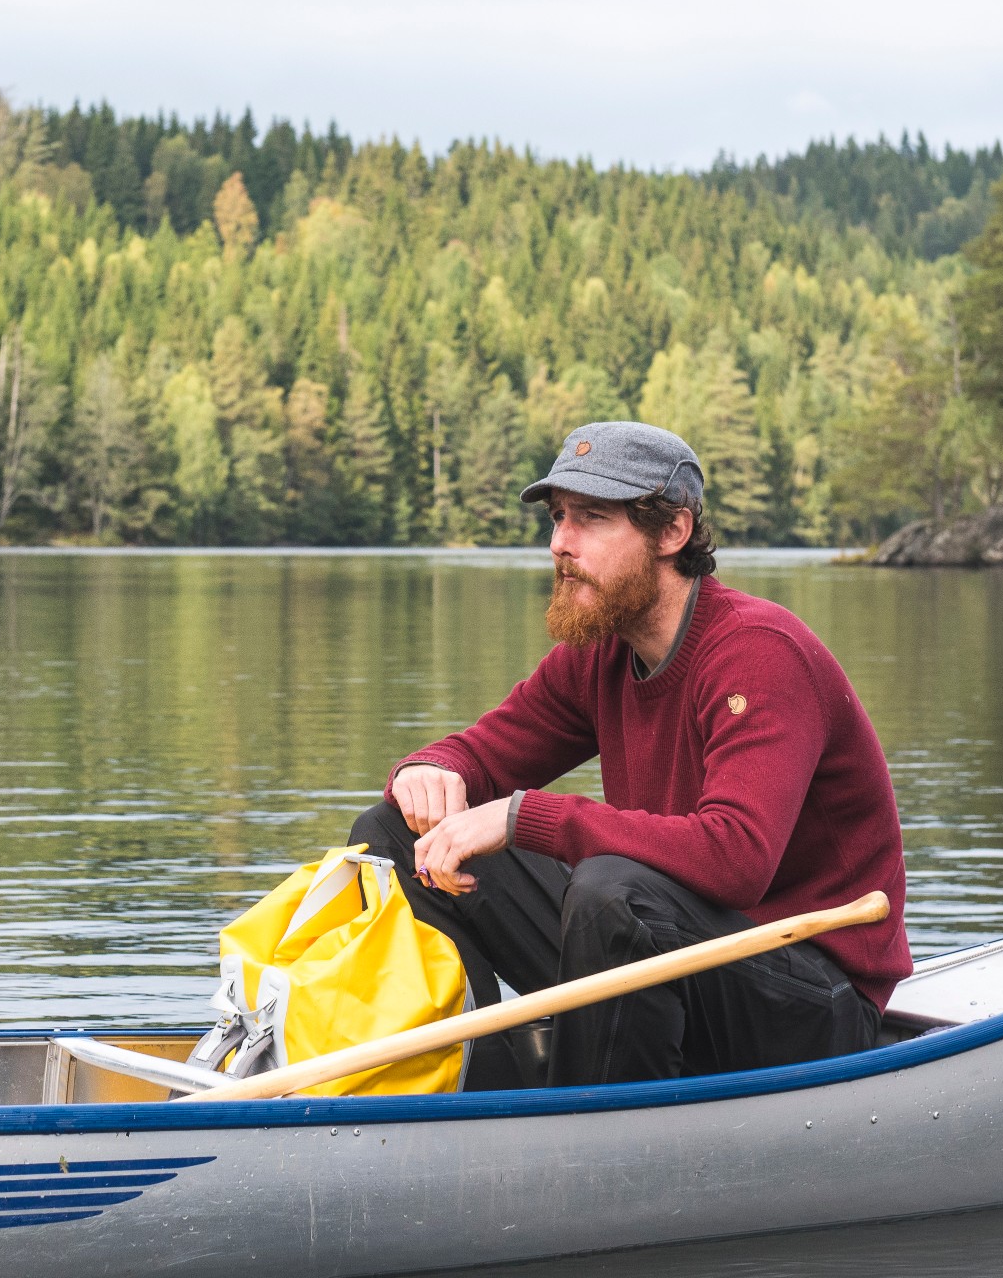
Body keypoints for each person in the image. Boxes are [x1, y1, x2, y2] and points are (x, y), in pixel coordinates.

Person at [350, 420, 909, 1088]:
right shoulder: (600, 655)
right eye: (557, 518)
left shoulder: (759, 653)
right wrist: (428, 771)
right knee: (392, 832)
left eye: (590, 518)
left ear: (671, 532)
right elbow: (479, 754)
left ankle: (587, 1124)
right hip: (681, 956)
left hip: (809, 1005)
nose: (560, 543)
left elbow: (736, 860)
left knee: (613, 893)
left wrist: (524, 817)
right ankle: (469, 1079)